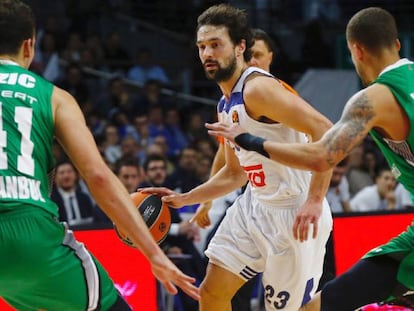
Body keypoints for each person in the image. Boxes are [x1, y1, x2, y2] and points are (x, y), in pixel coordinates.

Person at [205, 7, 414, 311]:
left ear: (355, 50)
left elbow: (321, 156)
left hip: (291, 207)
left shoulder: (373, 99)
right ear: (397, 45)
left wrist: (247, 139)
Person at [0, 1, 199, 310]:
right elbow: (97, 175)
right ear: (29, 46)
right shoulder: (54, 97)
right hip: (31, 233)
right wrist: (154, 255)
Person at [141, 4, 333, 310]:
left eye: (216, 45)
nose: (207, 54)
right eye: (202, 47)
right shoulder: (224, 104)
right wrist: (185, 197)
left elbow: (327, 131)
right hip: (254, 205)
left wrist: (314, 199)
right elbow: (235, 173)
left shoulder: (259, 90)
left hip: (293, 211)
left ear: (240, 46)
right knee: (212, 292)